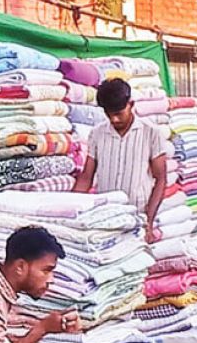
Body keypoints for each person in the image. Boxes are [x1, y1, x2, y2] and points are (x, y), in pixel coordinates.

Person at [73, 77, 170, 242]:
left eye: (118, 114)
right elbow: (86, 176)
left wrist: (149, 221)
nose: (114, 120)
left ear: (131, 105)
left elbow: (160, 179)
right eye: (108, 114)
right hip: (104, 219)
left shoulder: (151, 133)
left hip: (137, 218)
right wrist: (70, 208)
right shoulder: (96, 134)